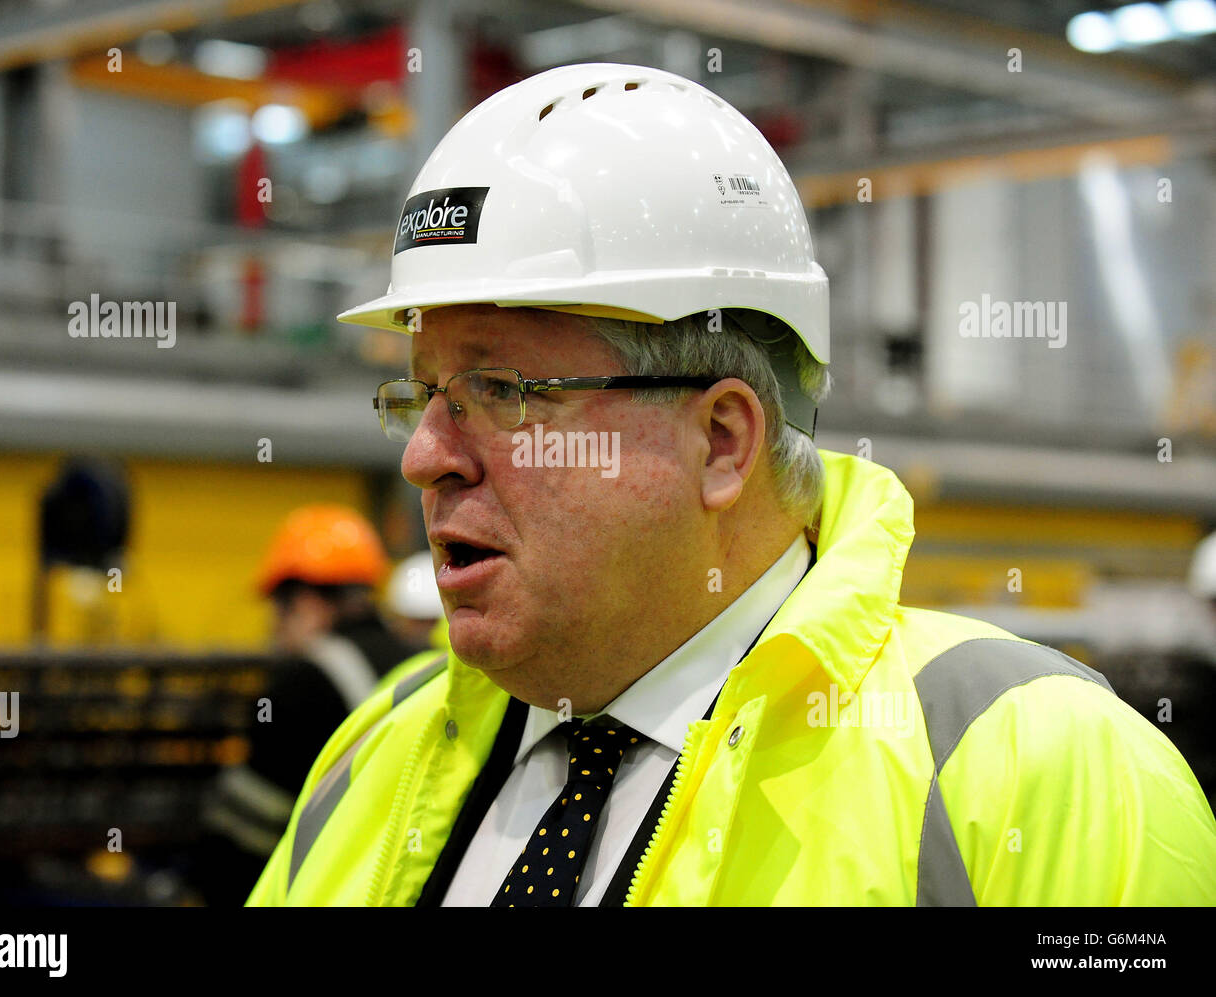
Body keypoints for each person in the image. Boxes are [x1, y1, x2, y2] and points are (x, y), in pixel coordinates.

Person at [247, 63, 1216, 906]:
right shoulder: (375, 755)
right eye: (419, 395)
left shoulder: (1032, 772)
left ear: (719, 441)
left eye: (500, 391)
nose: (424, 455)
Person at [193, 504, 412, 904]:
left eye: (279, 609)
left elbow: (242, 843)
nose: (274, 628)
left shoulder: (300, 685)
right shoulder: (416, 662)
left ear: (307, 602)